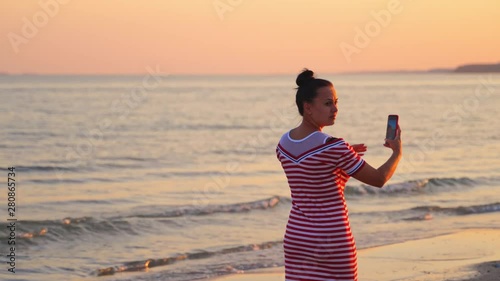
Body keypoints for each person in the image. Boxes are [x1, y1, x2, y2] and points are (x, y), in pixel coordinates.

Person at [276, 69, 402, 281]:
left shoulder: (283, 143)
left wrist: (341, 161)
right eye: (327, 103)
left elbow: (312, 176)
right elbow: (379, 179)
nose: (335, 109)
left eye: (336, 102)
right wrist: (397, 153)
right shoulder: (335, 147)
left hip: (297, 239)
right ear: (307, 107)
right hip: (332, 242)